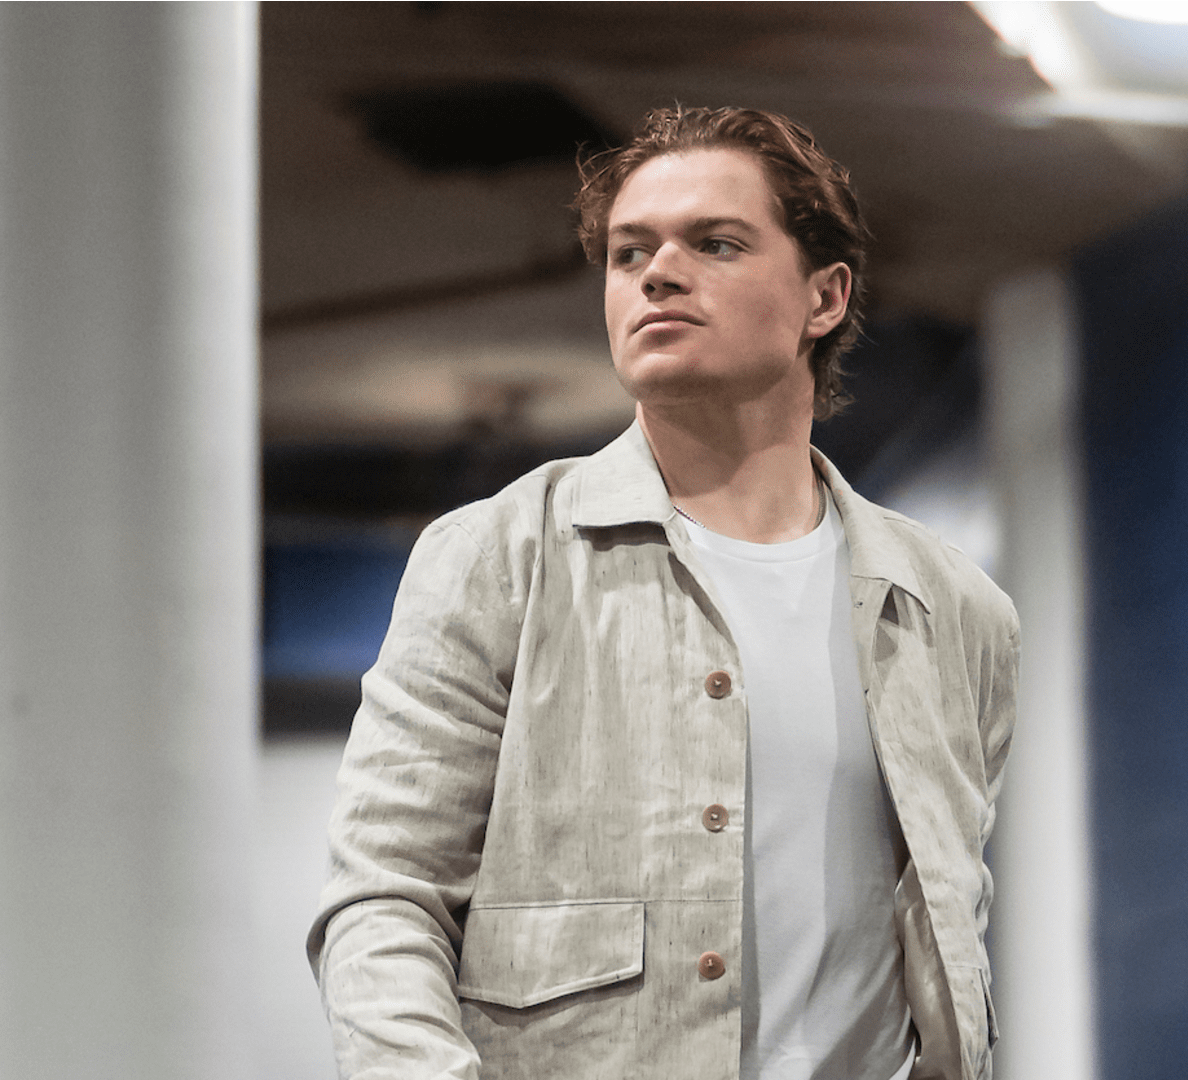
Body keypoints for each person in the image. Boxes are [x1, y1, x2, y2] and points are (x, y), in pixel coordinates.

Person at [308, 106, 1018, 1080]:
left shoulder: (955, 610)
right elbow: (383, 897)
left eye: (715, 243)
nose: (658, 274)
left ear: (825, 297)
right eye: (629, 252)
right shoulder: (498, 557)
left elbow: (947, 932)